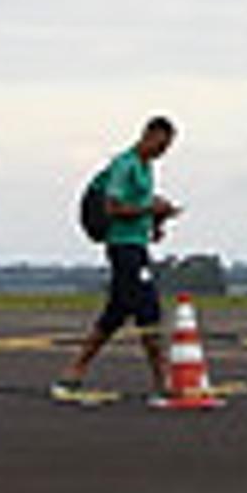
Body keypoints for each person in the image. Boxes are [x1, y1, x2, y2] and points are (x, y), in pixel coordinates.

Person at [58, 116, 184, 400]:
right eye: (161, 145)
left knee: (116, 314)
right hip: (122, 246)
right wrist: (149, 208)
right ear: (149, 135)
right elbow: (114, 208)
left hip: (137, 245)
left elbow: (141, 206)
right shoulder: (124, 164)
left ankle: (73, 372)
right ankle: (161, 382)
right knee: (148, 310)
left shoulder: (146, 169)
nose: (162, 152)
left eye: (167, 147)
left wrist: (158, 222)